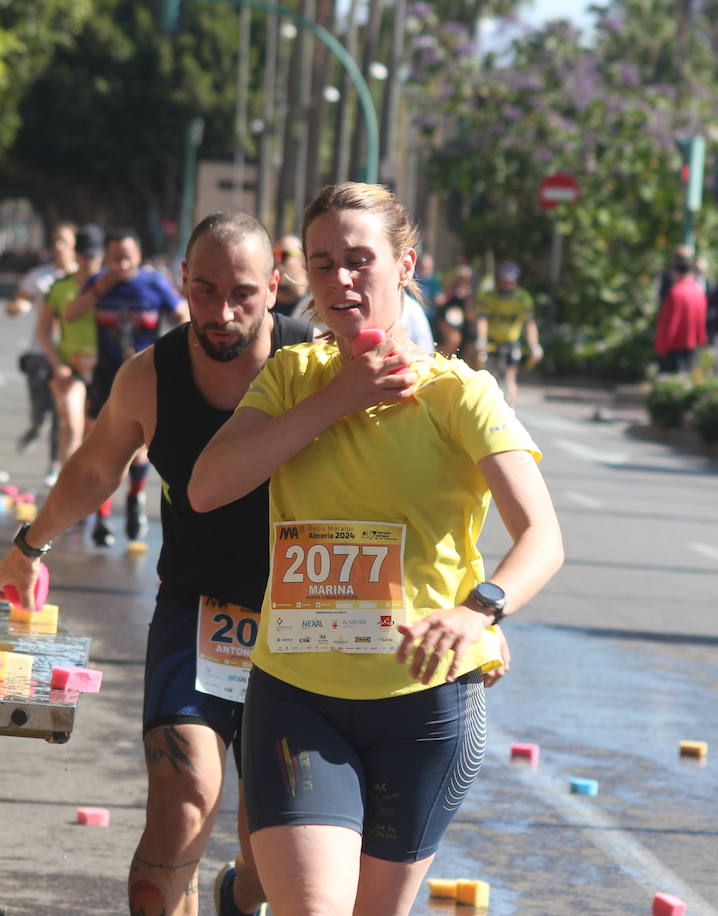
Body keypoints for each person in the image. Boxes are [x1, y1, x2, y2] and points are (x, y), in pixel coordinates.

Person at [190, 182, 563, 916]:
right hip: (298, 695)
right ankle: (245, 895)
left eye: (360, 260)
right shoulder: (294, 377)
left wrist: (480, 611)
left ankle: (239, 898)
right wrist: (340, 398)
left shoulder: (460, 395)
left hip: (423, 706)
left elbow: (542, 537)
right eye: (322, 264)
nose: (340, 280)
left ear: (404, 265)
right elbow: (208, 486)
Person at [0, 211, 312, 916]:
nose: (222, 313)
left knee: (270, 853)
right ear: (180, 285)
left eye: (244, 294)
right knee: (184, 794)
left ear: (277, 287)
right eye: (204, 291)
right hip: (198, 609)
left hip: (301, 622)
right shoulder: (151, 376)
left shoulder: (314, 364)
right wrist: (27, 546)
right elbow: (94, 468)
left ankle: (238, 892)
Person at [63, 229, 188, 546]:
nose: (120, 265)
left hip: (146, 376)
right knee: (99, 445)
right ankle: (102, 517)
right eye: (114, 258)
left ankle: (133, 500)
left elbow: (183, 316)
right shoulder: (100, 283)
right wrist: (95, 293)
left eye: (126, 258)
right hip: (107, 376)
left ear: (138, 257)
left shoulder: (153, 283)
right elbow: (70, 315)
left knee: (139, 448)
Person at [7, 222, 77, 473]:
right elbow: (17, 302)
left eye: (64, 241)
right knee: (41, 409)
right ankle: (36, 427)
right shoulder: (39, 276)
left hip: (68, 355)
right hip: (39, 352)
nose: (59, 246)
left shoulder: (84, 278)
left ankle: (54, 465)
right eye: (55, 240)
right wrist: (16, 307)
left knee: (63, 414)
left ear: (74, 246)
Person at [37, 224, 105, 479]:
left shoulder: (110, 286)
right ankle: (67, 484)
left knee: (92, 433)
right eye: (85, 256)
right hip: (70, 367)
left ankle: (83, 488)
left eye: (95, 257)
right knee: (72, 423)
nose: (89, 262)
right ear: (77, 254)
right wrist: (58, 365)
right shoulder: (61, 287)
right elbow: (43, 330)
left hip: (102, 369)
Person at [476, 261, 542, 405]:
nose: (506, 286)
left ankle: (509, 409)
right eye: (503, 282)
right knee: (489, 377)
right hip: (492, 342)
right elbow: (482, 319)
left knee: (510, 377)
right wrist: (481, 340)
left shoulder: (523, 298)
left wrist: (534, 345)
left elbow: (529, 324)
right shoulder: (488, 296)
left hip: (511, 342)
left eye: (510, 282)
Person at [653, 253, 707, 374]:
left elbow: (669, 321)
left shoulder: (675, 292)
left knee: (674, 378)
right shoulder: (699, 291)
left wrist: (661, 345)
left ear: (677, 273)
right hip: (693, 343)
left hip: (675, 344)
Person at [434, 266, 474, 359]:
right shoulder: (450, 289)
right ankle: (437, 358)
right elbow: (440, 301)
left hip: (462, 323)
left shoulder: (469, 293)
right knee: (453, 340)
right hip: (446, 320)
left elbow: (469, 314)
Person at [271, 235, 310, 318]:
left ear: (303, 260)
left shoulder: (317, 311)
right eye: (272, 256)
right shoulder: (262, 310)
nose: (276, 261)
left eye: (283, 255)